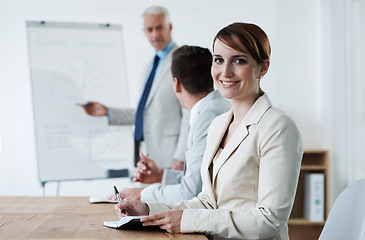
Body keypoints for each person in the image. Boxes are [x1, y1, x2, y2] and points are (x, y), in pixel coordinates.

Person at [114, 22, 303, 240]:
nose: (225, 71)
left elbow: (269, 220)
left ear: (263, 67)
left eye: (239, 60)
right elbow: (207, 201)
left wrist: (185, 220)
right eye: (218, 60)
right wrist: (149, 209)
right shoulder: (218, 125)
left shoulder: (277, 127)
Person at [114, 45, 230, 203]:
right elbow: (199, 180)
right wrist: (161, 175)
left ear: (176, 84)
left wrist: (142, 194)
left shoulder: (207, 117)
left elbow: (190, 192)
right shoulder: (214, 106)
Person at [81, 6, 189, 170]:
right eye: (150, 29)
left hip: (171, 158)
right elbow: (145, 113)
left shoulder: (184, 60)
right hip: (145, 154)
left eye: (159, 27)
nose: (155, 34)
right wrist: (107, 112)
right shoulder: (149, 67)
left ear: (170, 27)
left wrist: (181, 157)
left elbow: (190, 113)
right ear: (144, 31)